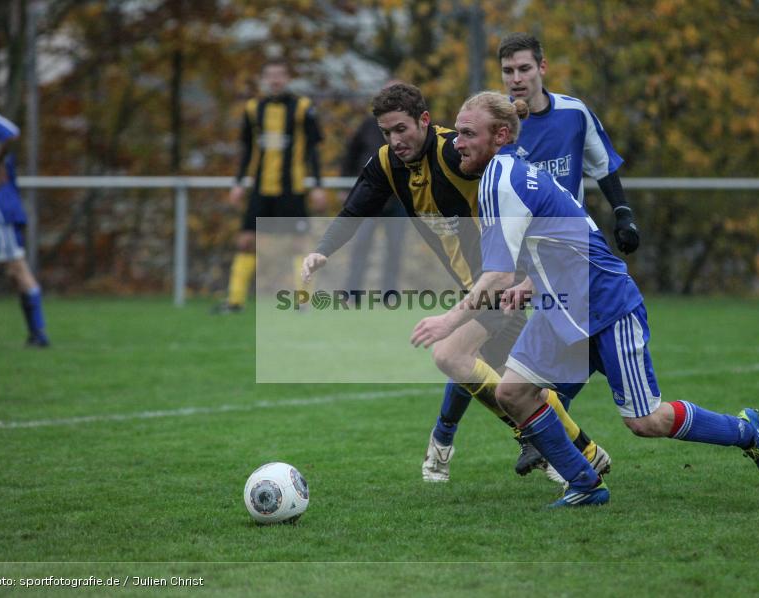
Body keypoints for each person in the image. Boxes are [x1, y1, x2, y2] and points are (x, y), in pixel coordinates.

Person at [412, 92, 759, 507]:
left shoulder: (501, 178)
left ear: (500, 135)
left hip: (605, 306)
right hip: (561, 306)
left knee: (645, 421)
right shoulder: (516, 172)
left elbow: (497, 273)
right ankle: (585, 484)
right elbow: (568, 241)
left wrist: (449, 321)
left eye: (467, 133)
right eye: (457, 132)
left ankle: (746, 431)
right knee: (512, 393)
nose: (456, 142)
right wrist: (528, 286)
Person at [301, 83, 610, 482]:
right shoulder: (386, 164)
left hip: (503, 282)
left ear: (424, 121)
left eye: (401, 129)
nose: (395, 141)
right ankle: (584, 451)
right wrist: (323, 250)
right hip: (476, 286)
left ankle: (528, 442)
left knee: (451, 354)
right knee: (503, 378)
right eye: (386, 132)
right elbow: (355, 209)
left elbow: (507, 168)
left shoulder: (454, 151)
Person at [421, 32, 641, 482]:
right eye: (507, 71)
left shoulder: (573, 113)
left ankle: (562, 453)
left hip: (561, 270)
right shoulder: (494, 125)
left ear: (542, 67)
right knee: (462, 354)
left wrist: (622, 213)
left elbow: (603, 165)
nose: (516, 78)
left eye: (523, 68)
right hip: (517, 268)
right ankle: (547, 446)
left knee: (487, 361)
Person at [213, 58, 327, 314]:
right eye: (270, 75)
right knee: (245, 242)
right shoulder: (254, 108)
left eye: (280, 74)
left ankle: (303, 301)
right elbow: (247, 149)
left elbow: (313, 150)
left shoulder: (302, 107)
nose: (275, 79)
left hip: (292, 189)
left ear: (288, 78)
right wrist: (239, 182)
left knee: (300, 245)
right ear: (264, 79)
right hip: (261, 189)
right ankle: (234, 302)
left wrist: (318, 185)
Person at [0, 88, 50, 347]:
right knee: (14, 271)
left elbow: (11, 133)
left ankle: (38, 334)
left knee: (16, 267)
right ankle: (37, 334)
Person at [340, 112, 407, 295]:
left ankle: (389, 294)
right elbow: (351, 154)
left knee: (394, 248)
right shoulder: (368, 125)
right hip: (370, 199)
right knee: (360, 245)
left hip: (399, 200)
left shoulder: (411, 128)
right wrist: (345, 188)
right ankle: (352, 292)